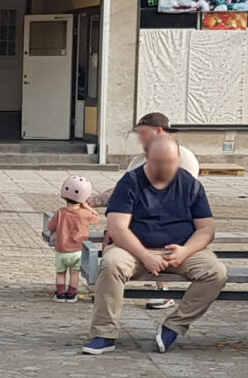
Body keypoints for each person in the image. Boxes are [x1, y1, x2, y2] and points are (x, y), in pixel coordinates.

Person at [85, 139, 223, 355]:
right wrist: (145, 255)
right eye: (158, 162)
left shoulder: (190, 184)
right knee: (111, 264)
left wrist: (185, 251)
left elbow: (206, 228)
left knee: (216, 273)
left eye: (169, 162)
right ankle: (104, 333)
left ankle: (174, 326)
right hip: (133, 249)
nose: (164, 167)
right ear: (147, 158)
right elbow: (117, 228)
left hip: (181, 249)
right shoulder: (130, 182)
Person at [109, 114, 201, 310]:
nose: (139, 138)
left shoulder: (183, 158)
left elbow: (176, 195)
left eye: (143, 133)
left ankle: (163, 291)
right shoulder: (138, 161)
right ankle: (108, 286)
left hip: (167, 222)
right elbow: (122, 191)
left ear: (159, 132)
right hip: (137, 220)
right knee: (114, 228)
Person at [45, 176, 100, 302]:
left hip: (62, 250)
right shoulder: (85, 214)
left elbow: (50, 226)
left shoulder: (60, 212)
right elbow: (96, 217)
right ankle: (71, 294)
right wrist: (86, 206)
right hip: (78, 251)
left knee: (60, 273)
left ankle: (60, 294)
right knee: (75, 273)